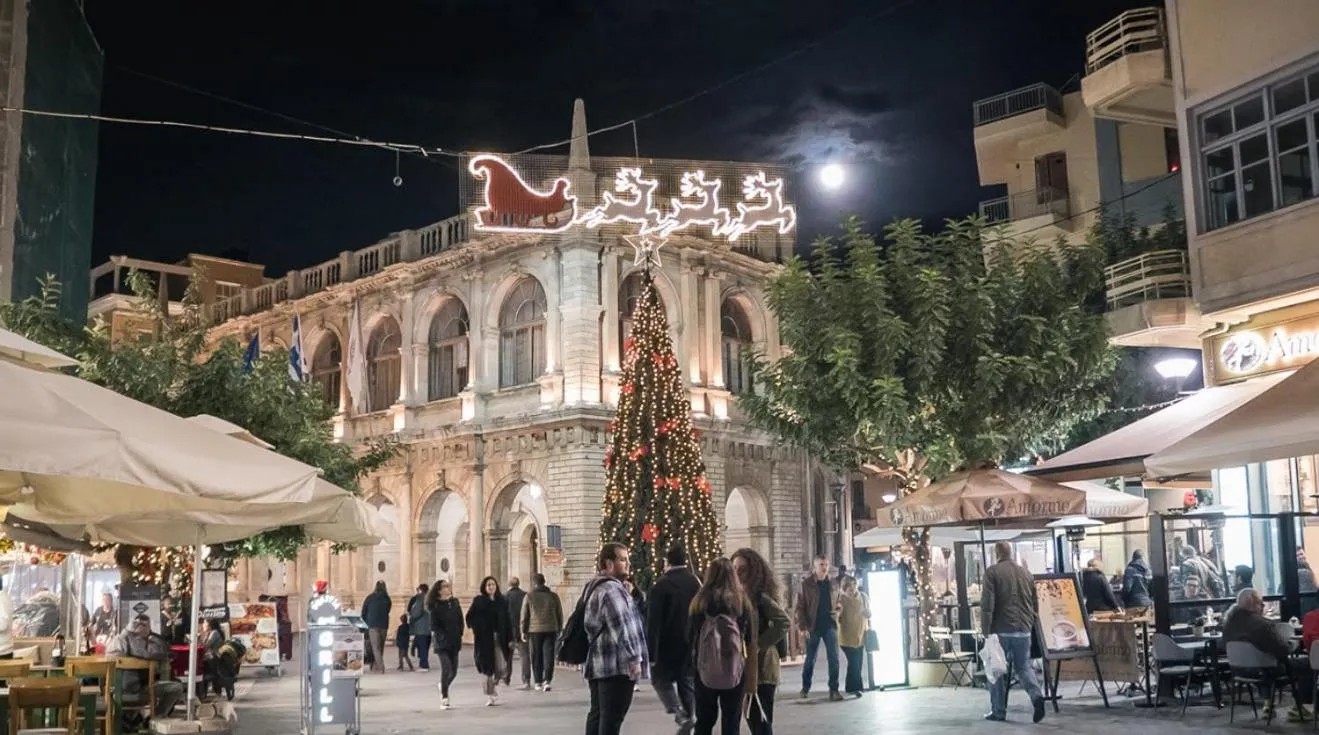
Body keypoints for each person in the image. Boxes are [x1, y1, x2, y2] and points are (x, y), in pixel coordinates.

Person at [584, 542, 648, 735]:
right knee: (611, 719)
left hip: (599, 664)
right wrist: (634, 658)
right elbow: (621, 626)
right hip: (616, 666)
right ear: (609, 564)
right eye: (622, 559)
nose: (628, 563)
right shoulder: (611, 590)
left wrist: (627, 595)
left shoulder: (596, 585)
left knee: (598, 715)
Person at [688, 557, 757, 735]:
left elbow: (689, 636)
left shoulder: (699, 601)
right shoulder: (741, 602)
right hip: (734, 668)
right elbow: (749, 639)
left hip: (704, 669)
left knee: (704, 721)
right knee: (731, 720)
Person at [981, 541, 1045, 723]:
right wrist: (1031, 620)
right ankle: (1036, 696)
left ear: (997, 553)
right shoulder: (1026, 573)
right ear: (1011, 552)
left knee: (997, 670)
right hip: (1023, 629)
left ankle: (998, 711)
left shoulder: (992, 572)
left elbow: (987, 604)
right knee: (1024, 667)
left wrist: (986, 631)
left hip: (1001, 629)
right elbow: (1035, 602)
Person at [1224, 588, 1309, 721]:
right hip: (1268, 671)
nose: (1263, 607)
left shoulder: (1228, 625)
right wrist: (1293, 644)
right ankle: (1299, 708)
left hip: (1239, 671)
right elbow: (1281, 650)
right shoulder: (1262, 625)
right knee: (1307, 663)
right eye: (1261, 603)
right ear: (1251, 603)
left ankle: (1268, 704)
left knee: (1263, 660)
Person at [732, 547, 789, 735]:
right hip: (743, 668)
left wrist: (759, 644)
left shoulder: (760, 598)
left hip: (763, 668)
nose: (737, 574)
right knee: (754, 720)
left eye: (742, 569)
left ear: (753, 572)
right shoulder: (734, 598)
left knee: (761, 722)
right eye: (734, 569)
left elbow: (783, 622)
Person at [648, 544, 701, 729]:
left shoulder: (661, 585)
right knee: (686, 681)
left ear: (666, 562)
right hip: (691, 642)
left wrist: (651, 653)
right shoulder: (695, 582)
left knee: (660, 680)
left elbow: (653, 622)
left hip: (666, 644)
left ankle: (678, 711)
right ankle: (691, 715)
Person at [108, 614, 185, 722]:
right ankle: (153, 719)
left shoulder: (117, 639)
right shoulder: (135, 640)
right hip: (134, 689)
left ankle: (130, 719)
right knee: (176, 687)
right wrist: (150, 635)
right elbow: (160, 652)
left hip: (112, 689)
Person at [794, 555, 842, 701]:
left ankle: (834, 689)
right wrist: (802, 626)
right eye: (821, 564)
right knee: (810, 659)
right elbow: (800, 607)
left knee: (834, 658)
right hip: (813, 625)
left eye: (826, 564)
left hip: (829, 624)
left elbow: (839, 601)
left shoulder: (833, 583)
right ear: (815, 566)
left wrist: (838, 611)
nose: (824, 567)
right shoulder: (806, 584)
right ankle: (805, 687)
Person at [466, 576, 513, 707]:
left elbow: (507, 620)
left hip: (499, 638)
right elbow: (469, 618)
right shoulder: (479, 601)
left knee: (501, 667)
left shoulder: (502, 601)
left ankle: (493, 686)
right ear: (484, 587)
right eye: (488, 585)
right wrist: (478, 628)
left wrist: (510, 637)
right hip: (484, 639)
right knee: (487, 668)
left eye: (493, 584)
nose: (491, 587)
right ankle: (490, 694)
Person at [521, 572, 564, 691]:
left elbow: (524, 615)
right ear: (544, 582)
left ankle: (538, 682)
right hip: (551, 628)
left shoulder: (529, 596)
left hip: (534, 630)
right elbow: (559, 613)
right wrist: (560, 627)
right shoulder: (553, 596)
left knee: (536, 656)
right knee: (548, 655)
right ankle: (547, 681)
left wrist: (523, 631)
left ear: (534, 583)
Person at [426, 579, 464, 710]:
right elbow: (434, 626)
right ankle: (444, 697)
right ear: (439, 590)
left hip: (454, 641)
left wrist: (460, 633)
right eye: (445, 586)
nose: (448, 588)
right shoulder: (435, 606)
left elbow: (460, 619)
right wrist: (443, 636)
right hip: (442, 643)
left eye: (448, 586)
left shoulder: (454, 603)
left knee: (454, 672)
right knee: (446, 668)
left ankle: (443, 685)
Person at [837, 576, 869, 699]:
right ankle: (857, 688)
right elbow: (838, 613)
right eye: (848, 588)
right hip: (846, 637)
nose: (852, 590)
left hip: (860, 634)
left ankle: (850, 687)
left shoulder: (864, 597)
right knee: (854, 662)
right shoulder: (842, 599)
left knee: (857, 663)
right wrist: (838, 613)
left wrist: (867, 613)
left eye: (853, 587)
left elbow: (869, 613)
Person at [361, 580, 392, 674]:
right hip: (384, 625)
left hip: (372, 625)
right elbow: (388, 610)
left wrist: (364, 624)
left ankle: (380, 667)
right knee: (381, 646)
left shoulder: (370, 598)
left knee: (375, 647)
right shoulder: (387, 599)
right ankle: (376, 665)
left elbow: (364, 611)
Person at [505, 576, 530, 689]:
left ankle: (506, 678)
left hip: (508, 632)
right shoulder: (525, 595)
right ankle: (526, 680)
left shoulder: (504, 597)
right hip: (522, 630)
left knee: (507, 657)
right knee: (524, 656)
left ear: (509, 585)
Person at [408, 583, 432, 672]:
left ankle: (423, 665)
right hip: (429, 627)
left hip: (421, 627)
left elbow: (417, 612)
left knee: (422, 647)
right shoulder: (430, 598)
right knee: (425, 646)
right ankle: (425, 663)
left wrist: (412, 615)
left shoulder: (420, 599)